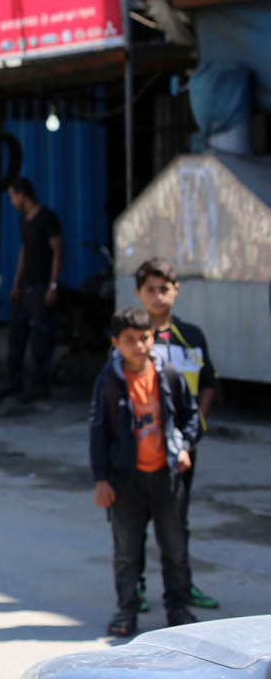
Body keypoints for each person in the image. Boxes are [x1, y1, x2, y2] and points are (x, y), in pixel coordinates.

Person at [90, 306, 199, 638]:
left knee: (175, 547)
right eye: (130, 340)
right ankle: (127, 611)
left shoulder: (168, 375)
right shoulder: (109, 382)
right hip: (126, 482)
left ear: (153, 337)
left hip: (166, 478)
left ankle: (178, 608)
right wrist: (102, 480)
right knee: (127, 551)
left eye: (144, 338)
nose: (139, 346)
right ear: (116, 343)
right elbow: (98, 432)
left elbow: (189, 416)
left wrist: (182, 447)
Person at [132, 258, 219, 612]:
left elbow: (209, 384)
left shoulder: (192, 336)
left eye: (163, 289)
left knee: (177, 518)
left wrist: (192, 430)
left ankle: (183, 587)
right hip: (139, 448)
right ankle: (133, 588)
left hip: (181, 448)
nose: (157, 297)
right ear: (139, 293)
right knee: (136, 516)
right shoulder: (132, 336)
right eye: (150, 290)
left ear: (176, 290)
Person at [0, 176, 64, 402]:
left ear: (22, 194)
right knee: (17, 337)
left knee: (40, 338)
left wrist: (53, 286)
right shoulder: (25, 219)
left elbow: (58, 251)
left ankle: (38, 386)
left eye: (13, 196)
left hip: (42, 286)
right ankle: (14, 382)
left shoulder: (47, 217)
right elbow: (24, 252)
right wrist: (16, 284)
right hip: (25, 287)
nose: (12, 201)